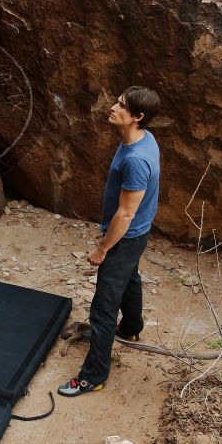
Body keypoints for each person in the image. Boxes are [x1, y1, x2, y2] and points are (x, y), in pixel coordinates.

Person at [58, 86, 161, 397]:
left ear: (138, 117)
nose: (113, 107)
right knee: (130, 279)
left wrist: (102, 249)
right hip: (137, 235)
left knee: (103, 309)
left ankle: (93, 376)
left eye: (121, 105)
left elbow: (126, 213)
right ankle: (131, 328)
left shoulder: (136, 160)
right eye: (117, 101)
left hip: (126, 237)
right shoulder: (144, 139)